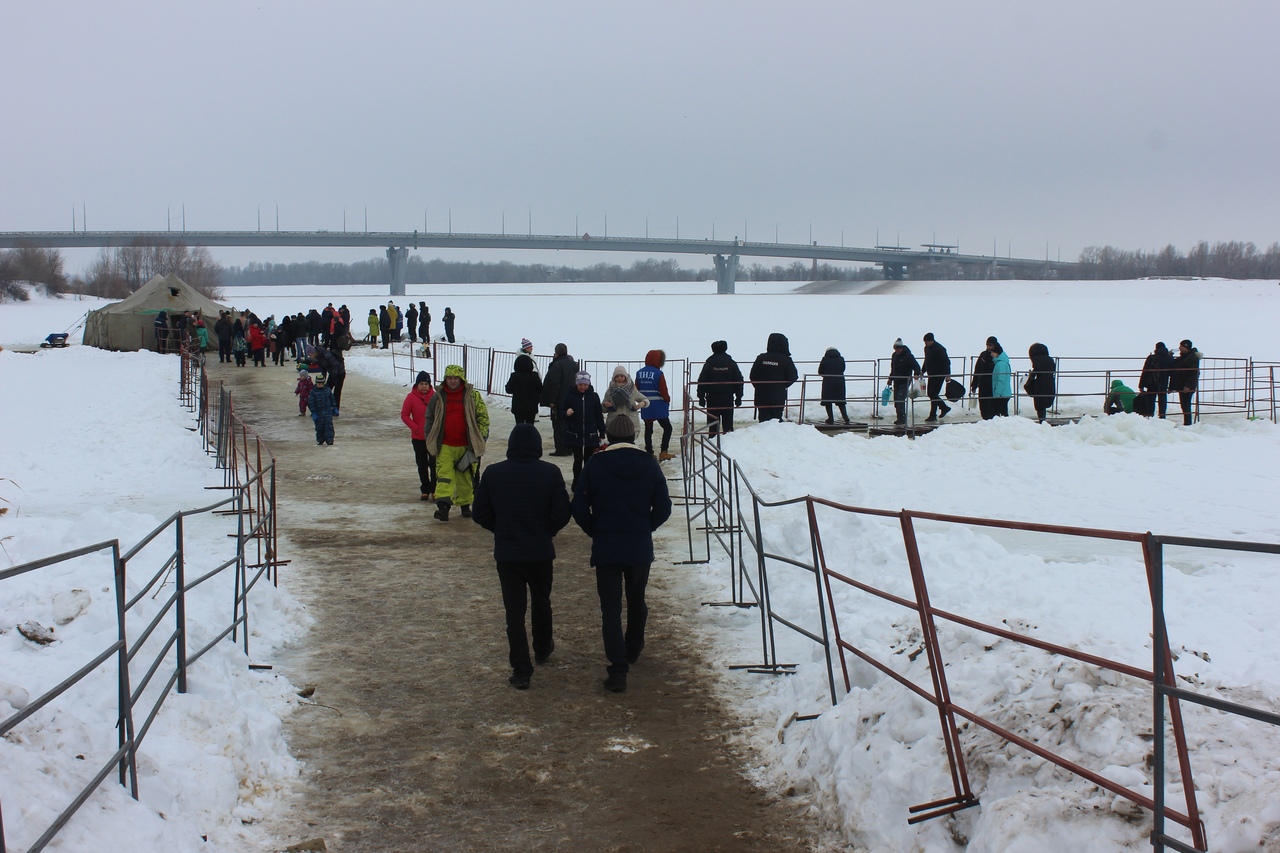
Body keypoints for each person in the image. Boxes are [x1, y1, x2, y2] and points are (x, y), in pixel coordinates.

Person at [571, 415, 672, 694]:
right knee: (637, 598)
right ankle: (633, 647)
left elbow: (578, 506)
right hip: (638, 546)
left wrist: (596, 530)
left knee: (611, 607)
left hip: (607, 546)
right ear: (634, 437)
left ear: (608, 436)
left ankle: (617, 669)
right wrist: (643, 528)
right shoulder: (649, 465)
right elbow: (663, 508)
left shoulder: (595, 464)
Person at [472, 423, 573, 690]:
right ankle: (542, 647)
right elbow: (562, 512)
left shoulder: (493, 473)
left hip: (508, 553)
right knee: (542, 602)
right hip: (540, 551)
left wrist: (503, 529)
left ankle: (521, 669)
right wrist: (545, 531)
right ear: (538, 446)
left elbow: (480, 513)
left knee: (514, 613)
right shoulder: (550, 472)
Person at [424, 364, 490, 521]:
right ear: (445, 379)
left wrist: (480, 438)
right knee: (444, 476)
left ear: (461, 379)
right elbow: (429, 418)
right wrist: (429, 437)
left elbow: (483, 418)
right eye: (449, 378)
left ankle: (465, 506)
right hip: (444, 445)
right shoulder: (438, 396)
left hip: (466, 445)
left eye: (455, 378)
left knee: (465, 477)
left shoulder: (472, 396)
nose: (452, 381)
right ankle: (443, 508)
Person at [561, 371, 606, 491]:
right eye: (580, 384)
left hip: (590, 433)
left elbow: (598, 415)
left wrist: (601, 432)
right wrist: (566, 413)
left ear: (589, 384)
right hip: (575, 433)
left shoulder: (594, 396)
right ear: (576, 384)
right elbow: (562, 411)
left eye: (585, 385)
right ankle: (576, 481)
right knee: (577, 460)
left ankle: (587, 481)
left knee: (588, 460)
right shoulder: (570, 395)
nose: (582, 387)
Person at [401, 370, 438, 501]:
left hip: (432, 437)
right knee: (422, 464)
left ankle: (435, 489)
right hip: (418, 438)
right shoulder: (411, 397)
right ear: (417, 385)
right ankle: (425, 490)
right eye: (421, 384)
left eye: (426, 384)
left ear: (429, 385)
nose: (423, 386)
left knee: (434, 465)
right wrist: (415, 428)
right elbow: (404, 415)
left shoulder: (435, 397)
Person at [696, 340, 744, 435]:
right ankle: (729, 446)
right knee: (728, 426)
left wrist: (701, 397)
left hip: (712, 398)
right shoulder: (731, 364)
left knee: (713, 426)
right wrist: (739, 397)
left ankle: (712, 445)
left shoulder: (709, 364)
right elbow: (739, 381)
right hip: (728, 398)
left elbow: (702, 381)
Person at [540, 343, 579, 456]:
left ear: (556, 353)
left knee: (558, 424)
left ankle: (561, 449)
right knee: (569, 424)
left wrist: (552, 400)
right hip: (572, 398)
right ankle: (570, 447)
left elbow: (555, 384)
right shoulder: (573, 364)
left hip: (560, 400)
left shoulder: (557, 365)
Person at [749, 333, 798, 422]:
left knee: (763, 421)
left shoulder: (761, 358)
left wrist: (759, 386)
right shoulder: (786, 360)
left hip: (761, 395)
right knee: (776, 421)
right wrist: (782, 385)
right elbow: (793, 376)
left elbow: (753, 376)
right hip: (778, 396)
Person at [636, 351, 674, 459]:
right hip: (658, 406)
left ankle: (649, 452)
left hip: (645, 406)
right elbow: (663, 390)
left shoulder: (639, 373)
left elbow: (636, 389)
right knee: (667, 428)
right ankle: (663, 452)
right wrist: (667, 400)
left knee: (648, 430)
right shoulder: (658, 373)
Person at [602, 365, 648, 433]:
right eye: (617, 376)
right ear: (614, 378)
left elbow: (645, 399)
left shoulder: (632, 389)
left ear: (625, 377)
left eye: (622, 376)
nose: (619, 378)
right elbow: (603, 408)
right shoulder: (610, 391)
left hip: (630, 424)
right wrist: (605, 405)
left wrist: (643, 403)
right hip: (614, 425)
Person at [886, 338, 922, 426]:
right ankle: (900, 417)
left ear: (901, 348)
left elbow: (916, 366)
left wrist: (916, 374)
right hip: (896, 380)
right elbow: (893, 368)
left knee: (900, 400)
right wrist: (890, 378)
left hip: (905, 381)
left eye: (897, 349)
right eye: (895, 349)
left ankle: (902, 418)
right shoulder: (894, 356)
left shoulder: (908, 356)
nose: (896, 350)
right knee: (896, 400)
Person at [921, 333, 952, 422]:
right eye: (925, 342)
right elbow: (926, 360)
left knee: (933, 394)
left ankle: (943, 408)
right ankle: (933, 414)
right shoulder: (926, 348)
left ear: (932, 341)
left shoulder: (940, 349)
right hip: (931, 374)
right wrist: (923, 371)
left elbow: (946, 362)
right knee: (931, 393)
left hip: (939, 374)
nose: (926, 344)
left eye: (927, 342)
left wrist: (947, 375)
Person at [1140, 342, 1175, 419]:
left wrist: (1141, 385)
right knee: (1162, 400)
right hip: (1164, 383)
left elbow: (1145, 371)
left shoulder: (1151, 358)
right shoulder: (1169, 358)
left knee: (1151, 399)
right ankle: (1162, 416)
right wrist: (1171, 387)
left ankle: (1150, 415)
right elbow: (1173, 374)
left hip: (1151, 383)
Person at [505, 353, 543, 425]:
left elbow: (508, 389)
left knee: (519, 425)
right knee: (530, 426)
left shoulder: (514, 376)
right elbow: (540, 389)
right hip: (531, 407)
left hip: (518, 407)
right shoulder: (534, 376)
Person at [1171, 339, 1201, 425]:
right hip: (1182, 384)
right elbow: (1176, 364)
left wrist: (1188, 385)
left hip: (1187, 386)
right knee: (1184, 404)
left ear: (1186, 347)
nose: (1179, 348)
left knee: (1186, 404)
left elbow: (1193, 373)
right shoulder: (1184, 356)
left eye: (1181, 346)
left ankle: (1188, 423)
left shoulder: (1191, 358)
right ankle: (1187, 422)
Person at [1024, 343, 1057, 422]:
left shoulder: (1036, 359)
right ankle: (1043, 420)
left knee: (1039, 403)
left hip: (1040, 384)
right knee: (1045, 402)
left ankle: (1041, 420)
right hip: (1050, 383)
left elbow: (1037, 369)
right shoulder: (1050, 359)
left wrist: (1032, 375)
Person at [818, 346, 850, 425]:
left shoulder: (825, 359)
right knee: (840, 400)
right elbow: (843, 369)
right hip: (840, 381)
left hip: (828, 381)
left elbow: (820, 371)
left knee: (828, 400)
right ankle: (846, 418)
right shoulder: (841, 359)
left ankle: (830, 419)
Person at [314, 343, 346, 415]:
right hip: (333, 374)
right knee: (326, 390)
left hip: (340, 373)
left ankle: (335, 409)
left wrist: (334, 376)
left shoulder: (326, 354)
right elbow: (323, 368)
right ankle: (324, 408)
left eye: (310, 354)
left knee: (337, 392)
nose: (310, 356)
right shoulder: (318, 357)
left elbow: (334, 364)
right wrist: (323, 379)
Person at [309, 374, 336, 445]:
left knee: (329, 427)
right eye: (318, 384)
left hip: (327, 412)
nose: (320, 385)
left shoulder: (328, 390)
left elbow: (332, 399)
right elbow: (311, 403)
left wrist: (334, 407)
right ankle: (320, 439)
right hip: (318, 413)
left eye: (321, 384)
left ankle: (330, 439)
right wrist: (313, 412)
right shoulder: (313, 392)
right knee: (319, 427)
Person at [988, 336, 1012, 417]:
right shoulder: (1003, 362)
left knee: (998, 415)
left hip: (1001, 394)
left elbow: (1000, 380)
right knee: (1004, 414)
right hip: (1005, 393)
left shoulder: (1000, 364)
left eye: (992, 352)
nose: (991, 354)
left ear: (997, 353)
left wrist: (997, 394)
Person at [971, 346, 995, 420]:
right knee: (983, 404)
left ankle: (990, 421)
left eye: (991, 345)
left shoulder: (996, 357)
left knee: (990, 406)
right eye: (988, 345)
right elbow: (977, 370)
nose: (989, 347)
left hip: (992, 385)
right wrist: (974, 384)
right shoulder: (983, 355)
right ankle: (985, 419)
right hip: (982, 384)